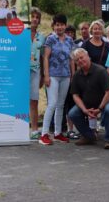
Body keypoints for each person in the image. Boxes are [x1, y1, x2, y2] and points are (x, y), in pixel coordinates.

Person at [68, 48, 109, 149]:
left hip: (105, 101)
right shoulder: (77, 75)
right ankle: (89, 136)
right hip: (87, 103)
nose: (80, 61)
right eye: (77, 60)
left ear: (88, 56)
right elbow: (75, 95)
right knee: (72, 113)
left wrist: (99, 108)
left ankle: (108, 139)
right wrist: (84, 110)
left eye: (81, 57)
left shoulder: (101, 71)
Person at [39, 14, 75, 145]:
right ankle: (43, 134)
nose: (59, 27)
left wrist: (73, 75)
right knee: (52, 104)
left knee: (61, 105)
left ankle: (58, 133)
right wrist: (46, 75)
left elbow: (71, 59)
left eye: (61, 24)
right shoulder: (50, 39)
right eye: (57, 24)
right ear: (53, 26)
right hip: (53, 76)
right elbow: (46, 58)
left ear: (65, 26)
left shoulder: (70, 40)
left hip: (65, 76)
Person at [29, 7, 45, 140]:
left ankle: (34, 129)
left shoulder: (42, 37)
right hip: (20, 71)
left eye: (37, 17)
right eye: (32, 16)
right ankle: (17, 128)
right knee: (20, 99)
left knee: (34, 100)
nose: (35, 19)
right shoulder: (20, 33)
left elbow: (42, 57)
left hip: (35, 71)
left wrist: (43, 75)